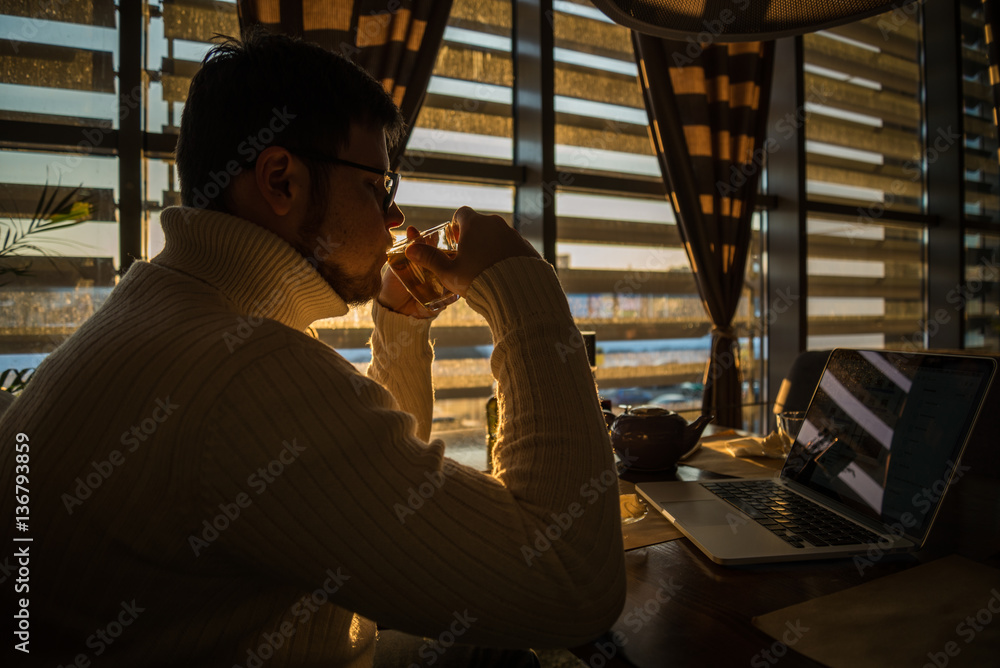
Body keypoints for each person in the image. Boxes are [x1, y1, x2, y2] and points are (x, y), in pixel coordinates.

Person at [0, 30, 625, 666]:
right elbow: (572, 584)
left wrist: (400, 324)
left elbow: (367, 495)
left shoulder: (157, 314)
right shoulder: (244, 376)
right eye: (379, 188)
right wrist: (524, 289)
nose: (395, 222)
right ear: (280, 180)